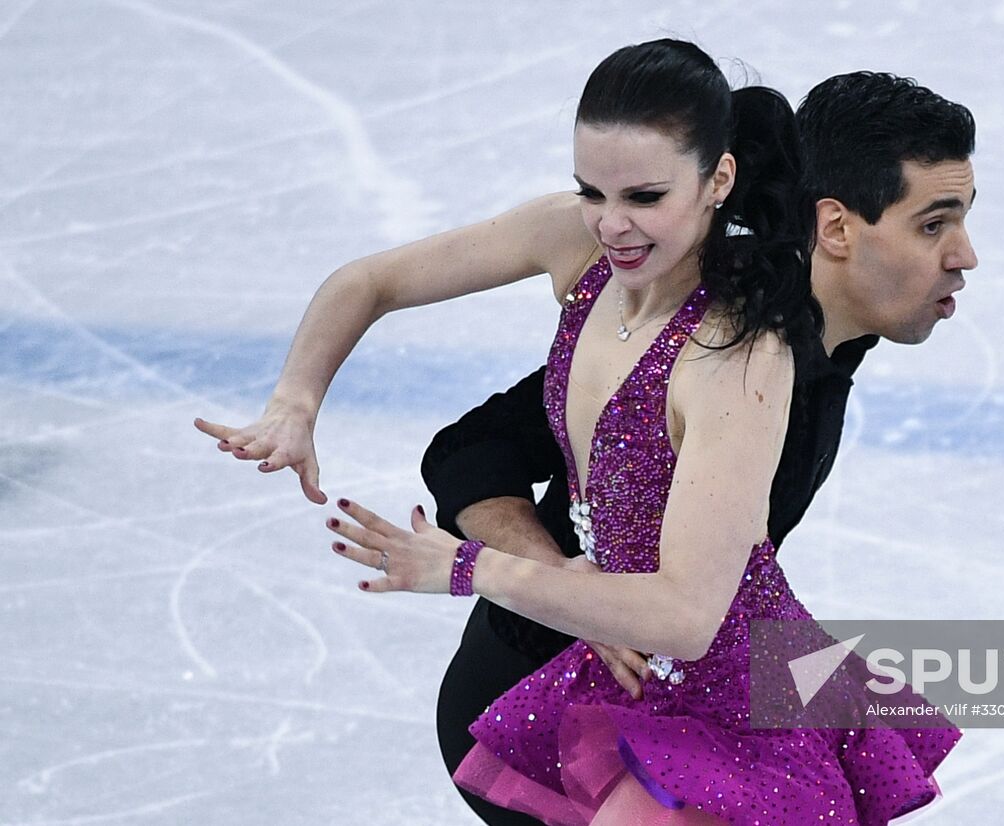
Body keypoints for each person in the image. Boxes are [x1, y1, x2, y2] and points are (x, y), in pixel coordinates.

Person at [195, 41, 961, 826]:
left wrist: (484, 571)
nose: (610, 222)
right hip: (561, 696)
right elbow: (444, 403)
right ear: (832, 226)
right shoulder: (680, 316)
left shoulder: (763, 346)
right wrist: (296, 399)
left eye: (643, 195)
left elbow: (696, 611)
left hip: (713, 686)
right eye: (591, 191)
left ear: (719, 181)